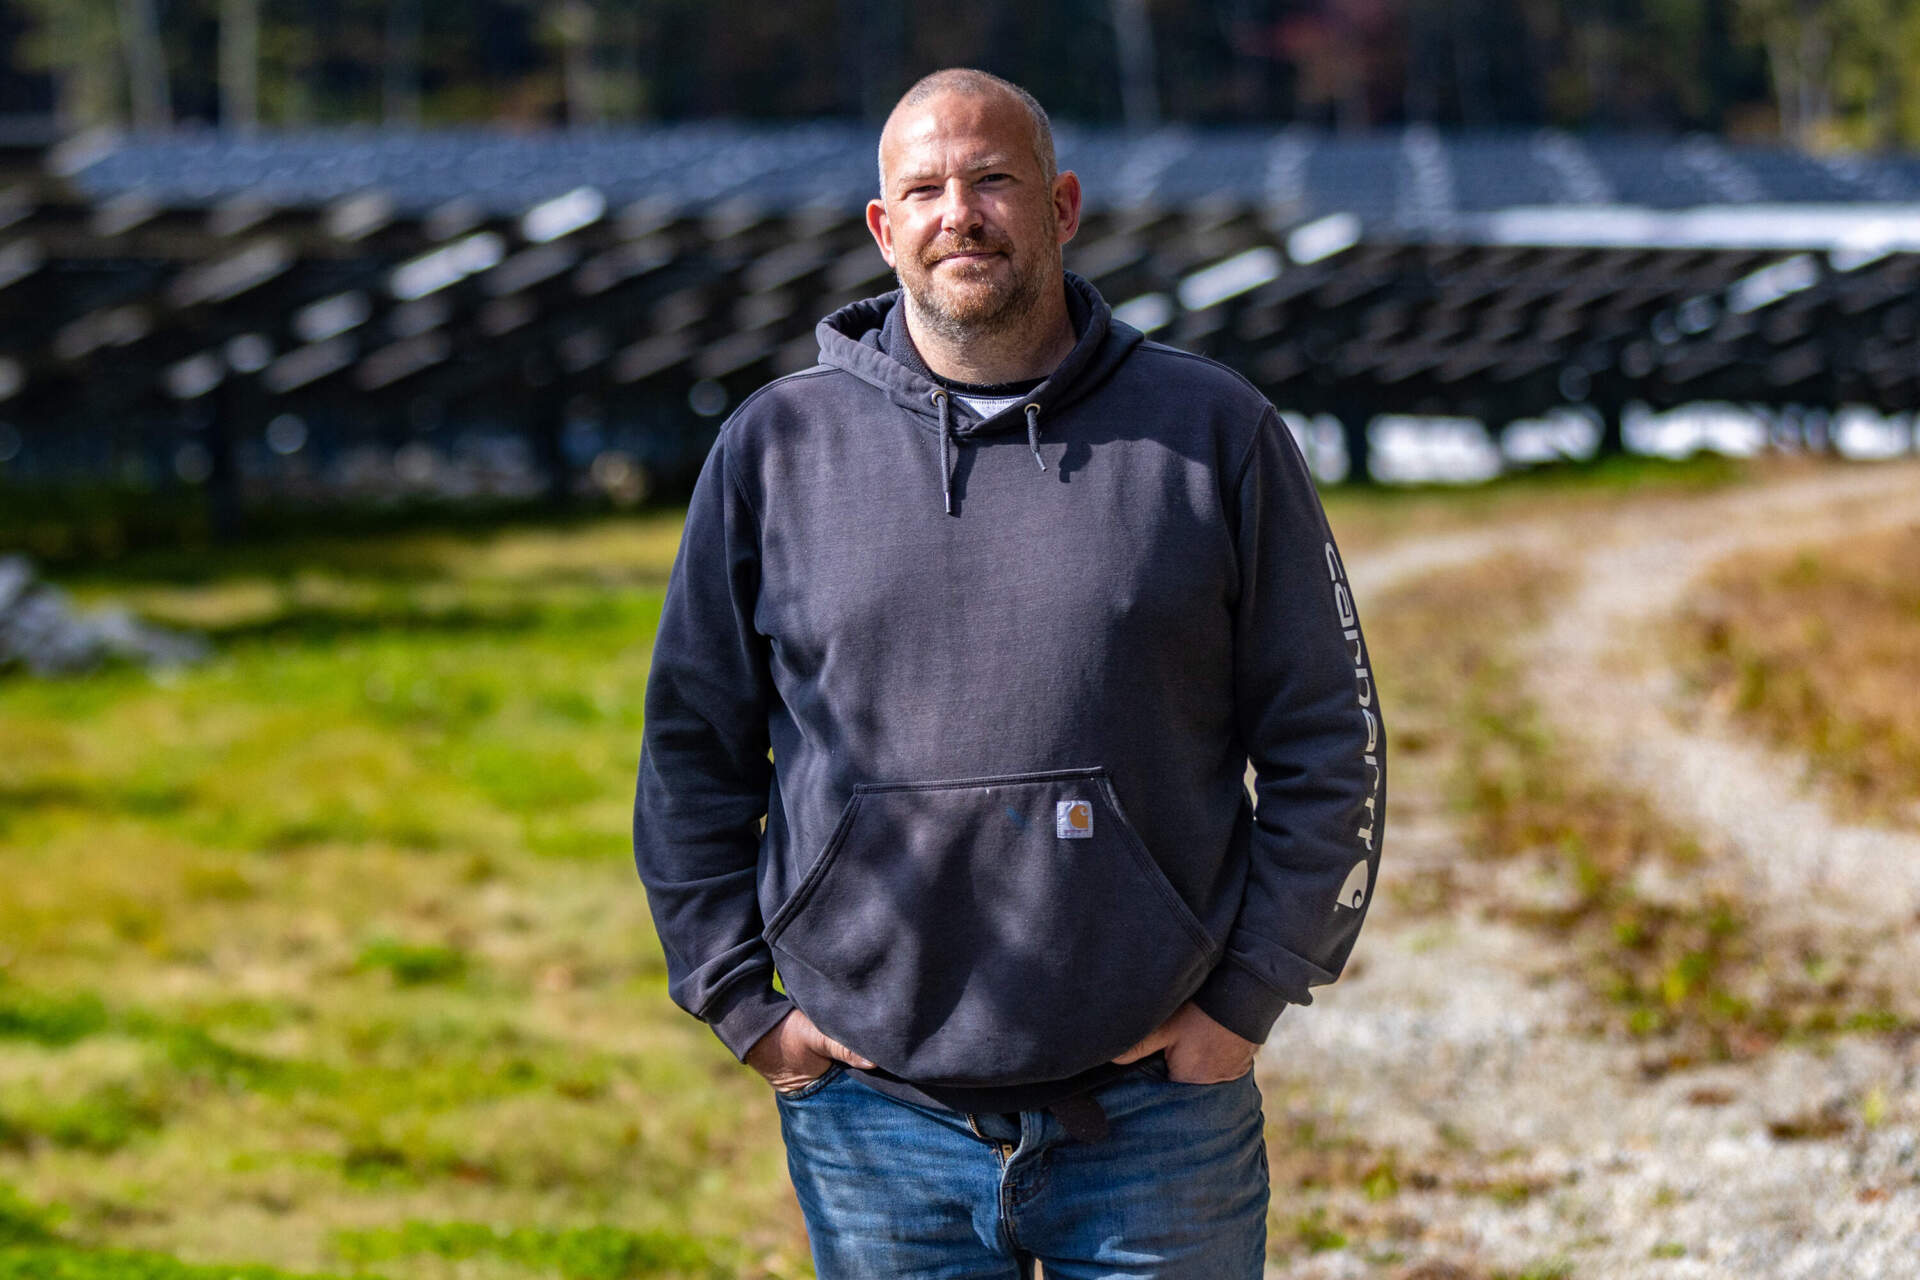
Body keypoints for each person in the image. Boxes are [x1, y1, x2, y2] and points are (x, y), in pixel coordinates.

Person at [632, 67, 1385, 1279]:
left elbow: (1325, 734)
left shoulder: (1212, 432)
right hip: (880, 1127)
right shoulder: (774, 449)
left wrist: (1245, 998)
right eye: (923, 188)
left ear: (1063, 206)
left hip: (1155, 1113)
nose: (959, 213)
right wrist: (745, 1007)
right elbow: (691, 750)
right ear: (884, 229)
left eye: (993, 179)